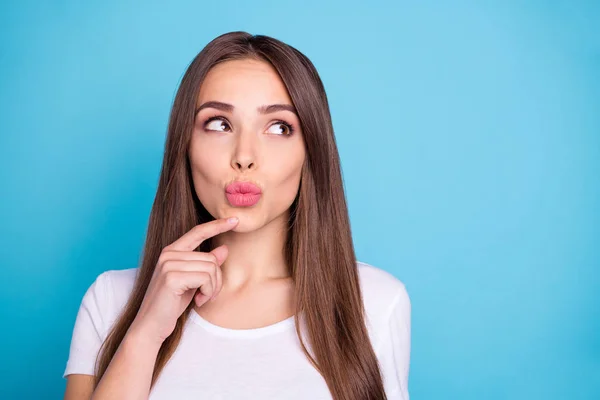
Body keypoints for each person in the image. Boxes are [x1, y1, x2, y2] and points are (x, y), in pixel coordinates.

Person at [62, 31, 411, 400]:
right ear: (185, 145)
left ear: (311, 151)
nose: (244, 156)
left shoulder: (375, 302)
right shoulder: (110, 300)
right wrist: (146, 332)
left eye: (279, 127)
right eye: (219, 124)